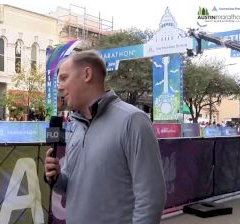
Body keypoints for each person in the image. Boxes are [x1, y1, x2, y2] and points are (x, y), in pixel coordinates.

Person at [44, 50, 166, 224]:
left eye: (64, 78)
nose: (59, 86)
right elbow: (69, 187)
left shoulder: (133, 121)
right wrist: (56, 177)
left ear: (87, 74)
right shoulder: (76, 127)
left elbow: (151, 196)